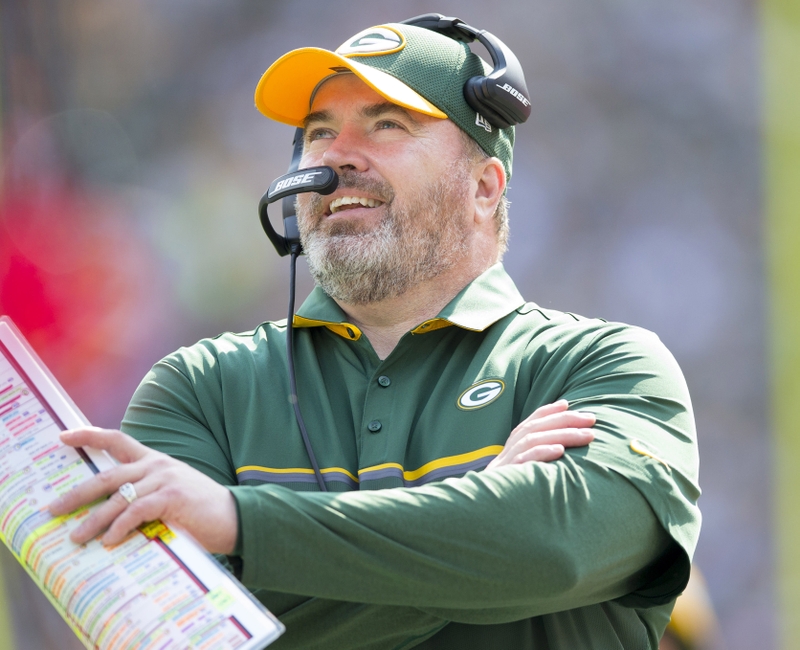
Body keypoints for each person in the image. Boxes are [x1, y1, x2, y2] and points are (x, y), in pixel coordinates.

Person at [49, 17, 701, 650]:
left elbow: (554, 550)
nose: (335, 157)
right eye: (318, 131)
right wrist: (480, 527)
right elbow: (165, 636)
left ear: (483, 186)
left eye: (387, 125)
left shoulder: (605, 367)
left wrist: (237, 522)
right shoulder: (200, 390)